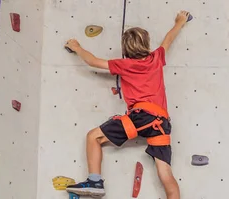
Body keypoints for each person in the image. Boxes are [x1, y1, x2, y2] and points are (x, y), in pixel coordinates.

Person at [63, 10, 190, 199]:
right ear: (146, 45)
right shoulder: (156, 58)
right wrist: (180, 22)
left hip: (140, 117)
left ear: (125, 50)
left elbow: (93, 61)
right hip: (161, 123)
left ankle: (95, 181)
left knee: (93, 137)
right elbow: (168, 40)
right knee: (165, 173)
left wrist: (77, 47)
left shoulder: (124, 64)